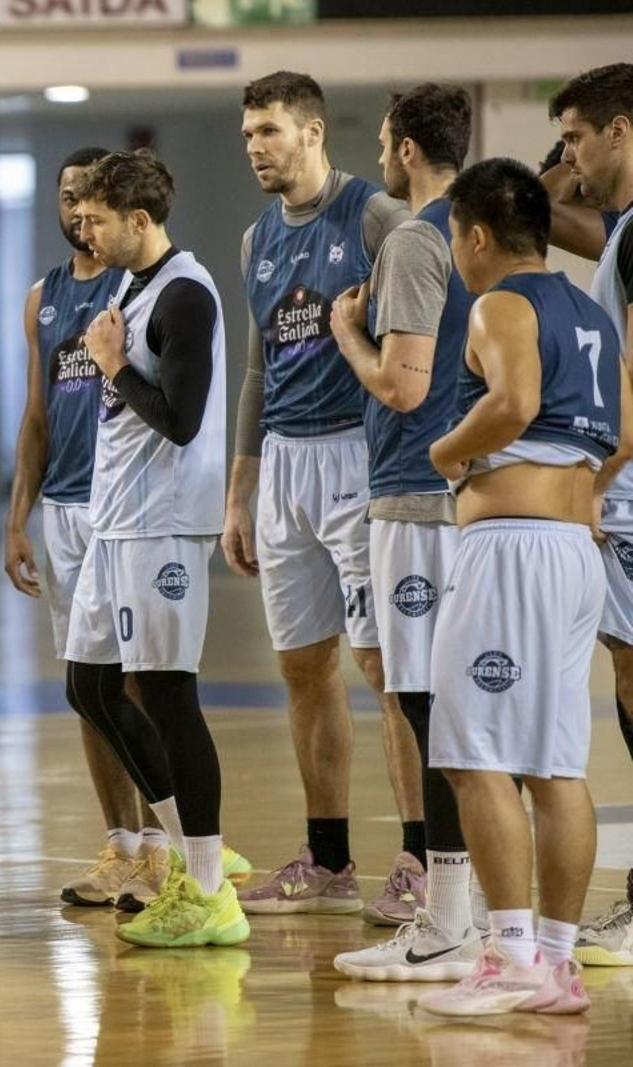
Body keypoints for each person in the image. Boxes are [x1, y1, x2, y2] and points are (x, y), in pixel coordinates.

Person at [417, 157, 631, 1017]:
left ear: (473, 233)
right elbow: (623, 432)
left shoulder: (497, 302)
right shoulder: (592, 312)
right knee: (553, 762)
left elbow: (512, 401)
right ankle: (553, 964)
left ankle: (506, 956)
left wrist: (446, 456)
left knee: (473, 755)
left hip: (511, 553)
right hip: (577, 549)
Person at [223, 71, 425, 920]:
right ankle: (330, 856)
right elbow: (259, 366)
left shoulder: (376, 216)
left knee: (386, 667)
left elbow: (423, 328)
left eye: (269, 130)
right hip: (284, 464)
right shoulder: (254, 239)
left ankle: (421, 857)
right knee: (304, 667)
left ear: (312, 131)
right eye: (247, 135)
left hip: (361, 454)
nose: (257, 148)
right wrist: (240, 489)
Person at [54, 150, 244, 948]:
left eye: (96, 218)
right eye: (80, 215)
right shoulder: (131, 286)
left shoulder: (186, 293)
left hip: (162, 523)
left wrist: (109, 362)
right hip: (117, 522)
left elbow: (182, 417)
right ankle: (197, 852)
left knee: (166, 696)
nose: (81, 227)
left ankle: (206, 888)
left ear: (140, 220)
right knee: (91, 688)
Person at [331, 85, 486, 979]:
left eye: (387, 142)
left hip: (414, 494)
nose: (382, 158)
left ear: (409, 150)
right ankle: (465, 915)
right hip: (454, 494)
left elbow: (402, 386)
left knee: (427, 705)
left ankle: (449, 918)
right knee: (446, 705)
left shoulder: (417, 239)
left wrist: (348, 328)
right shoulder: (475, 234)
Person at [3, 146, 175, 909]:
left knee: (132, 683)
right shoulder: (42, 297)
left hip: (123, 507)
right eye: (66, 196)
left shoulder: (133, 283)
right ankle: (121, 844)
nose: (77, 211)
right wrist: (17, 518)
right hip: (63, 510)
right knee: (85, 686)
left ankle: (165, 846)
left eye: (88, 199)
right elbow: (37, 415)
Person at [550, 62, 633, 968]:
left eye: (575, 135)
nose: (566, 156)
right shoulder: (618, 231)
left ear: (620, 129)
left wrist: (591, 479)